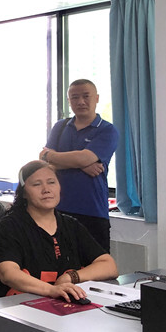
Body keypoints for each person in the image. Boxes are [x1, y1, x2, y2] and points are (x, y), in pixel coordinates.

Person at [0, 160, 118, 300]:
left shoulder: (71, 225)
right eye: (37, 184)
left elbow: (109, 266)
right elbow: (8, 274)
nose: (46, 189)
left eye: (51, 182)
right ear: (24, 193)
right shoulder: (10, 226)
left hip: (64, 302)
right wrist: (52, 290)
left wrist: (70, 277)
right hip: (21, 304)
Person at [40, 79, 119, 252]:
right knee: (58, 265)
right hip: (57, 210)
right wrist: (80, 164)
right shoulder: (60, 127)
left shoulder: (107, 130)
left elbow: (83, 158)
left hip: (92, 212)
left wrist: (52, 156)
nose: (81, 102)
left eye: (86, 96)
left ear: (97, 98)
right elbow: (43, 164)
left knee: (97, 265)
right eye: (75, 97)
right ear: (69, 101)